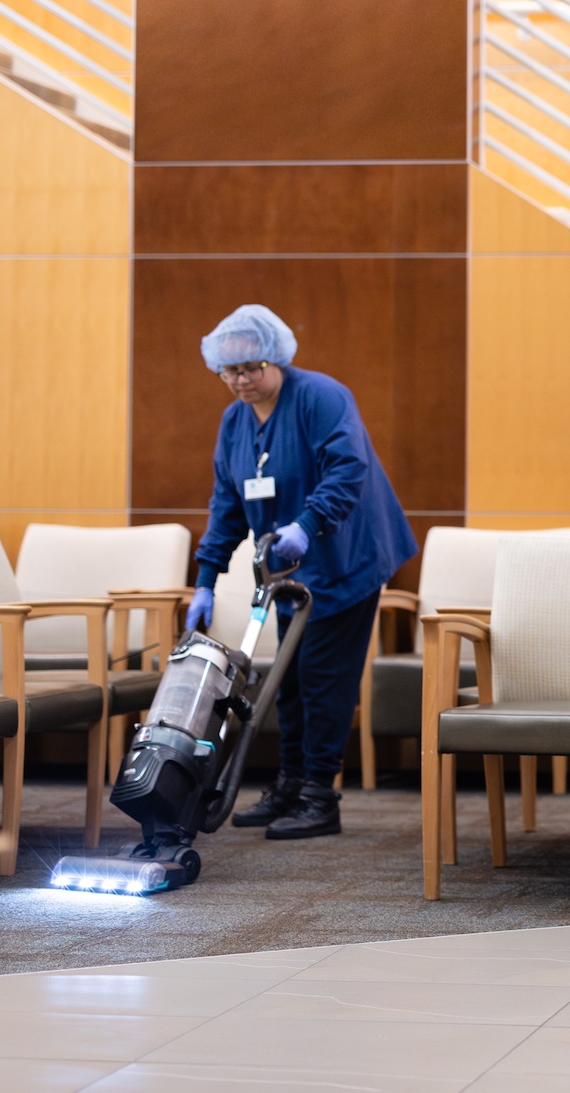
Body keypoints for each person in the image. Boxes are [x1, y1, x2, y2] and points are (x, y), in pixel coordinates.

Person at [187, 305, 417, 840]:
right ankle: (289, 786)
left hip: (345, 559)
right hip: (288, 573)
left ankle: (320, 796)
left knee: (322, 680)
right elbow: (227, 502)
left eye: (252, 368)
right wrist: (205, 578)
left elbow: (348, 467)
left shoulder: (320, 397)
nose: (241, 381)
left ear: (278, 359)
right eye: (229, 372)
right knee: (286, 680)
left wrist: (307, 524)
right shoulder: (235, 421)